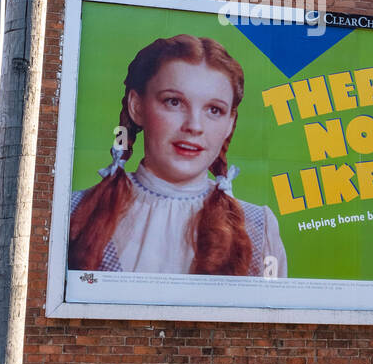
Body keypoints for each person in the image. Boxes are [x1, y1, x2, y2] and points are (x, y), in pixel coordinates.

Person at [69, 34, 288, 277]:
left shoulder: (259, 227)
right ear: (136, 107)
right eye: (174, 102)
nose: (194, 126)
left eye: (214, 110)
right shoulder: (73, 211)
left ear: (230, 123)